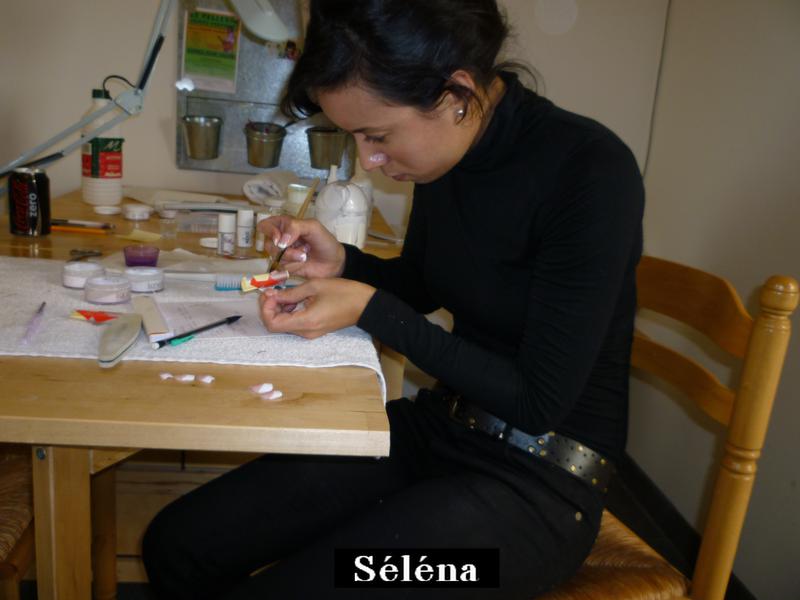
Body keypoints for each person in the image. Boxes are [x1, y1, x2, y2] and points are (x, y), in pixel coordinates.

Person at [142, 1, 644, 598]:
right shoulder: (446, 156)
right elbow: (421, 283)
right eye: (357, 137)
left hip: (542, 491)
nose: (369, 160)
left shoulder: (590, 170)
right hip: (442, 433)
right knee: (178, 542)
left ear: (457, 94)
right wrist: (343, 263)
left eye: (377, 136)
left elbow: (537, 402)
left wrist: (369, 307)